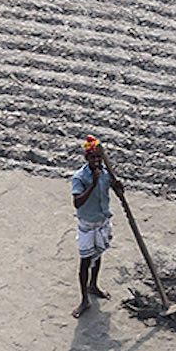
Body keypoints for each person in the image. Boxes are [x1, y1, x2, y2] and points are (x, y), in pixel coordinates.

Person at [70, 135, 124, 318]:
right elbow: (77, 203)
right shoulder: (80, 177)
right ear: (86, 158)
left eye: (98, 158)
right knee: (85, 261)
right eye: (92, 157)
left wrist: (118, 186)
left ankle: (93, 285)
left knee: (98, 254)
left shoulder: (105, 173)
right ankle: (84, 299)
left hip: (102, 221)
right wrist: (92, 184)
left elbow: (113, 187)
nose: (96, 161)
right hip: (87, 224)